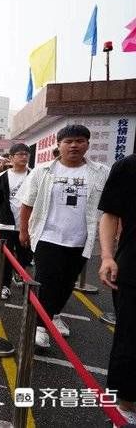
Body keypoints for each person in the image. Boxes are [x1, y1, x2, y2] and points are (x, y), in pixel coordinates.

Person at [17, 125, 109, 348]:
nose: (74, 145)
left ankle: (54, 314)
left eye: (80, 141)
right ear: (59, 145)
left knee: (67, 283)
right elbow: (27, 203)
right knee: (47, 282)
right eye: (69, 141)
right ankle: (39, 327)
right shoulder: (43, 171)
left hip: (81, 239)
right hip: (48, 237)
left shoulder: (101, 172)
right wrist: (23, 230)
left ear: (87, 144)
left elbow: (110, 208)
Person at [97, 153, 136, 424]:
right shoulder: (130, 166)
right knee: (131, 341)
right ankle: (125, 406)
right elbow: (111, 214)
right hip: (134, 269)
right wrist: (107, 256)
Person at [0, 144, 32, 300]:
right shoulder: (1, 177)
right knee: (5, 257)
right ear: (11, 157)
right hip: (5, 223)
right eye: (20, 154)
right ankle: (4, 285)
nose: (24, 157)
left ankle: (19, 273)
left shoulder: (34, 176)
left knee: (25, 255)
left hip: (27, 225)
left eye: (26, 154)